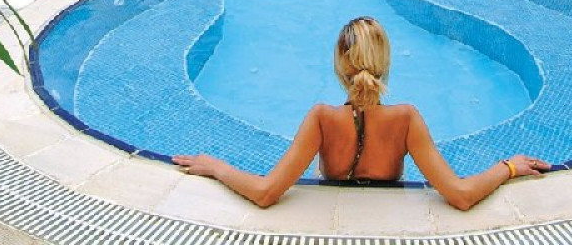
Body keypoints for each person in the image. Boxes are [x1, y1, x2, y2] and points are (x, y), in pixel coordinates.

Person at [173, 17, 550, 210]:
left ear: (340, 67)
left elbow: (266, 192)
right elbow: (460, 195)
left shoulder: (322, 118)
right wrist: (508, 167)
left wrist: (216, 166)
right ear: (385, 65)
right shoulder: (406, 119)